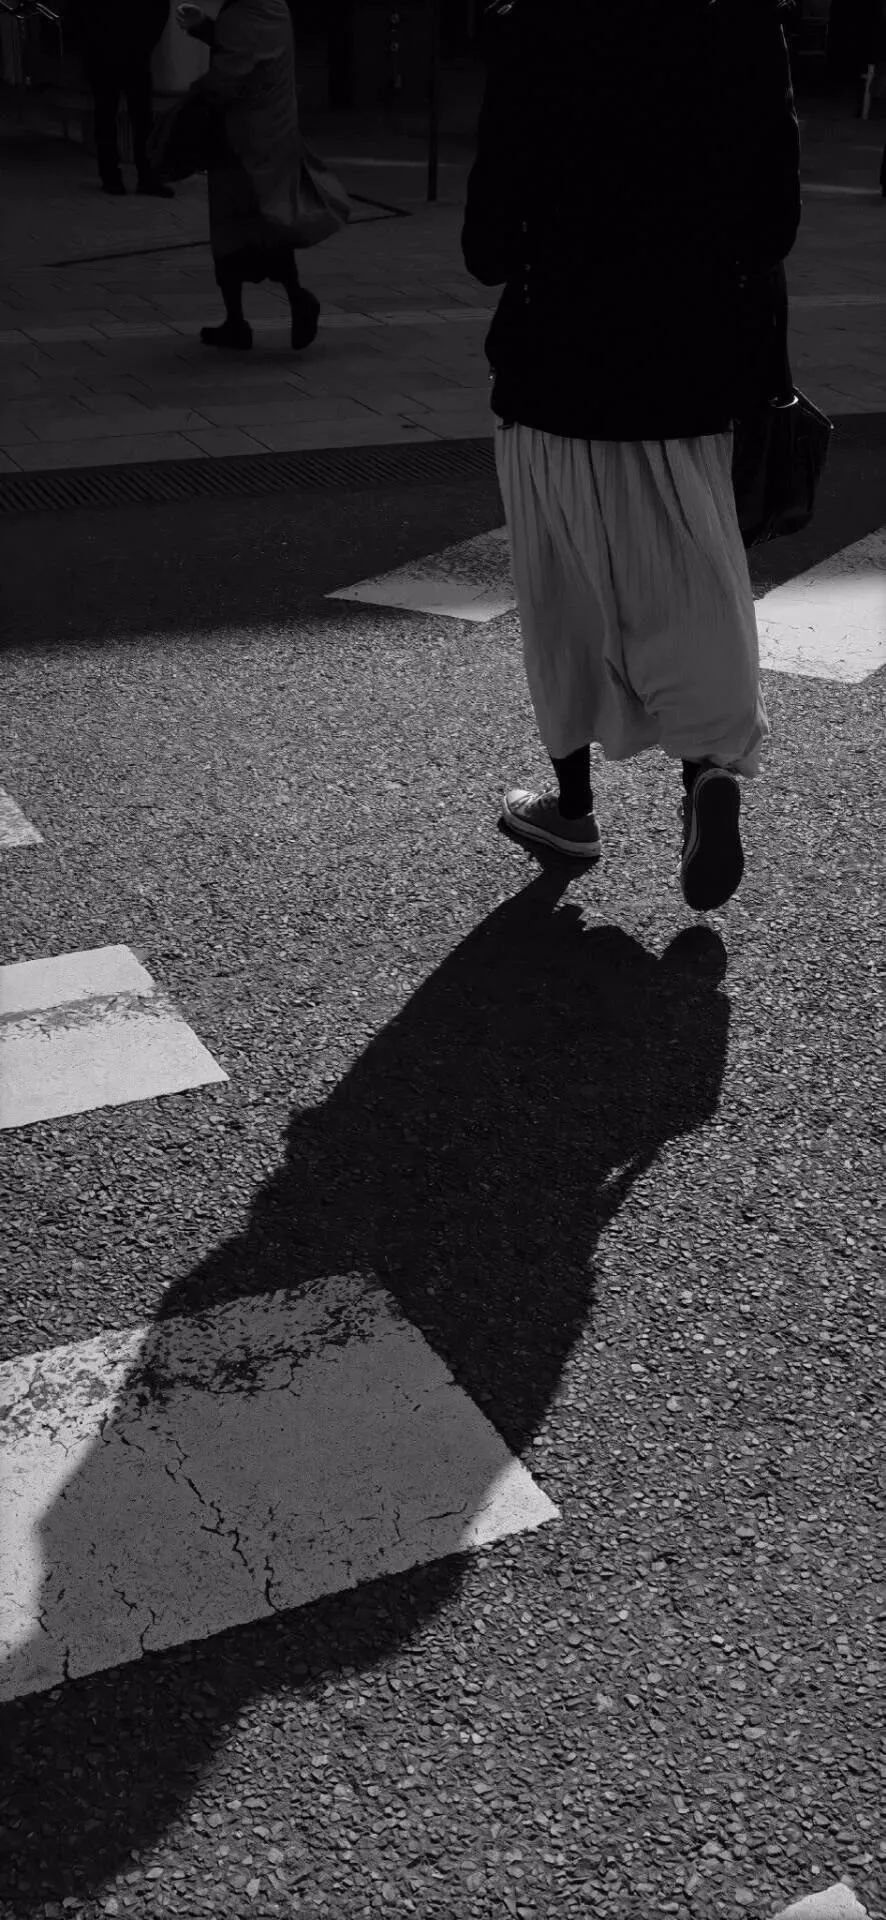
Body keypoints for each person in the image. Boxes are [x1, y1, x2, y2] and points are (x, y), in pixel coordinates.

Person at [461, 0, 802, 912]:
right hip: (688, 370)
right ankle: (707, 775)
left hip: (553, 364)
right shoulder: (742, 26)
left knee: (562, 595)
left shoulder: (534, 28)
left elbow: (486, 246)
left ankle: (572, 810)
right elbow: (772, 226)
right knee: (688, 583)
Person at [177, 0, 320, 352]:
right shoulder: (269, 7)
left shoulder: (248, 10)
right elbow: (245, 46)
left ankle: (242, 318)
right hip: (270, 134)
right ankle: (287, 301)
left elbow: (231, 71)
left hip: (245, 138)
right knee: (266, 225)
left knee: (232, 228)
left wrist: (188, 108)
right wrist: (205, 27)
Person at [64, 0, 174, 196]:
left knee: (114, 116)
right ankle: (139, 177)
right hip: (125, 49)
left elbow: (77, 12)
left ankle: (116, 177)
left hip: (109, 49)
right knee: (136, 117)